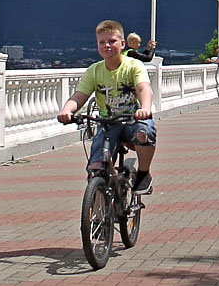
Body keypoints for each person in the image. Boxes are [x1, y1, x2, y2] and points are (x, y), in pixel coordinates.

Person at [56, 20, 157, 192]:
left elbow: (143, 87)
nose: (107, 46)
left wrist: (145, 108)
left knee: (144, 133)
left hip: (132, 120)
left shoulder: (133, 66)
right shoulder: (94, 70)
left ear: (122, 44)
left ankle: (143, 173)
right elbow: (79, 96)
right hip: (107, 123)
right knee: (95, 168)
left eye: (112, 41)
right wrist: (67, 110)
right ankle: (97, 207)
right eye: (102, 42)